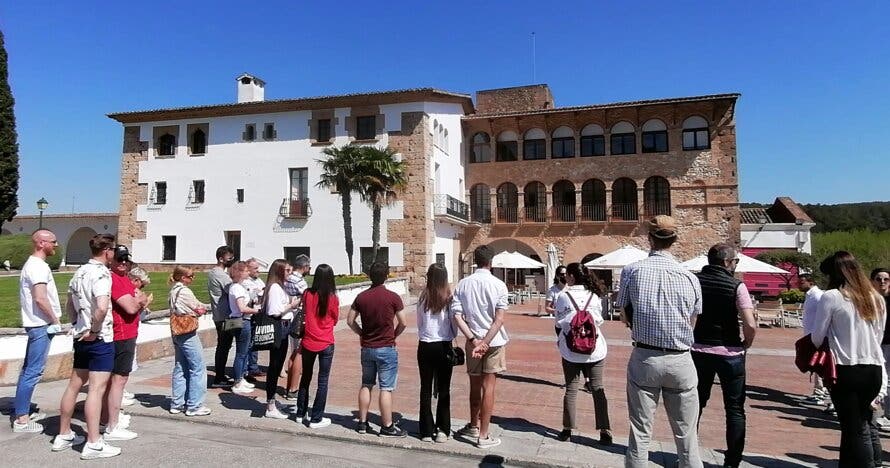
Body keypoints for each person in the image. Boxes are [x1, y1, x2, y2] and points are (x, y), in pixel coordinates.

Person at [617, 216, 703, 468]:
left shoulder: (632, 271)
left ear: (649, 239)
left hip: (645, 356)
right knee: (687, 435)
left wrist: (639, 325)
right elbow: (693, 320)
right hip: (680, 358)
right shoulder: (690, 278)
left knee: (640, 432)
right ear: (675, 240)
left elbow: (624, 313)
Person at [811, 252, 887, 467]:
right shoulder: (876, 298)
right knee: (857, 423)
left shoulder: (833, 297)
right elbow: (878, 336)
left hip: (846, 367)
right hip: (873, 368)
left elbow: (817, 337)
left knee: (854, 428)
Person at [690, 244, 757, 468]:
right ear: (727, 262)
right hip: (730, 351)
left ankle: (689, 455)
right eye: (735, 261)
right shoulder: (737, 285)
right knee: (735, 408)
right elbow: (749, 322)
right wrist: (747, 341)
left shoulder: (694, 282)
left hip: (698, 348)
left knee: (695, 404)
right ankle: (732, 461)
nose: (736, 265)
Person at [55, 234, 119, 459]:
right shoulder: (101, 274)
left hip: (80, 335)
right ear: (107, 251)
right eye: (113, 250)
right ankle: (93, 441)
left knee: (74, 385)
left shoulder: (79, 271)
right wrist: (93, 329)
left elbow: (69, 302)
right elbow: (101, 307)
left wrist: (76, 324)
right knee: (96, 388)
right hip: (98, 337)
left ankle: (63, 433)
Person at [452, 245, 509, 449]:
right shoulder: (499, 285)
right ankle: (484, 435)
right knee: (489, 387)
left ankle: (473, 425)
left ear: (475, 260)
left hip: (472, 340)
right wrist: (485, 342)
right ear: (491, 262)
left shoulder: (463, 284)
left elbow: (457, 315)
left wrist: (474, 340)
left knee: (475, 385)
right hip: (494, 342)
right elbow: (499, 320)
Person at [553, 262, 612, 445]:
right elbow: (599, 320)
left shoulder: (563, 296)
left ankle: (567, 429)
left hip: (570, 350)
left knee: (571, 389)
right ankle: (604, 430)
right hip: (595, 349)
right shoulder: (594, 296)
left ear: (571, 276)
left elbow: (558, 322)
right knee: (597, 388)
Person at [348, 262, 408, 437]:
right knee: (386, 387)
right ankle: (387, 425)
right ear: (386, 276)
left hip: (367, 347)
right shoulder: (393, 297)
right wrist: (394, 335)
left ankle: (362, 422)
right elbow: (403, 322)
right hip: (386, 347)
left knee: (366, 383)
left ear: (369, 276)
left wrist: (361, 333)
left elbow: (350, 320)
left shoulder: (361, 297)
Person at [12, 230, 62, 433]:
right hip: (40, 325)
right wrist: (54, 319)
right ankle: (22, 420)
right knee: (33, 371)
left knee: (29, 370)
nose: (56, 245)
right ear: (41, 243)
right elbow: (40, 298)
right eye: (53, 241)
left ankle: (23, 410)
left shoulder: (35, 265)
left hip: (38, 324)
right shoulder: (37, 267)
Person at [102, 246, 149, 442]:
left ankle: (109, 418)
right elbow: (131, 306)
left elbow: (142, 300)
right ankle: (112, 425)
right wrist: (139, 300)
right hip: (121, 335)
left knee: (116, 380)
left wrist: (140, 300)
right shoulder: (115, 279)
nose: (123, 263)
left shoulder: (124, 279)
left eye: (126, 260)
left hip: (128, 333)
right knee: (118, 380)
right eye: (119, 259)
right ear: (111, 260)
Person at [416, 263, 460, 443]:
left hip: (425, 345)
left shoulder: (422, 298)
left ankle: (426, 430)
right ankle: (443, 429)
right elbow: (454, 324)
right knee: (444, 389)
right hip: (443, 345)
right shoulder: (449, 298)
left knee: (425, 388)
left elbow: (419, 323)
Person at [296, 263, 339, 428]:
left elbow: (304, 311)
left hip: (308, 340)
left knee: (306, 377)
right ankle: (316, 417)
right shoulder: (333, 298)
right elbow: (335, 319)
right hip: (326, 341)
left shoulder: (307, 294)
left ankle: (300, 412)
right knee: (323, 380)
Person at [168, 266, 212, 416]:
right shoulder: (185, 291)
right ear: (182, 277)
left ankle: (177, 403)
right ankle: (194, 405)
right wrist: (204, 309)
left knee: (180, 366)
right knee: (198, 367)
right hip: (187, 331)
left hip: (176, 330)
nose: (193, 279)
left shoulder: (174, 290)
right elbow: (197, 306)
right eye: (190, 276)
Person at [258, 259, 298, 418]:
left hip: (284, 326)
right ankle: (270, 404)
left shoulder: (280, 287)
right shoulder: (274, 287)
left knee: (277, 364)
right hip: (279, 326)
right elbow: (275, 311)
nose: (289, 273)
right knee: (275, 366)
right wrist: (292, 305)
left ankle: (272, 402)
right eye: (287, 270)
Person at [227, 261, 260, 395]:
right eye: (246, 270)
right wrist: (256, 310)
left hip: (240, 320)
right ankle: (237, 381)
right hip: (241, 321)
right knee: (241, 353)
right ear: (240, 272)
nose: (248, 273)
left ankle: (241, 378)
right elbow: (241, 308)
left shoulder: (238, 287)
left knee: (245, 351)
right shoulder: (237, 288)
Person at [284, 255, 311, 401]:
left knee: (293, 352)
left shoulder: (287, 278)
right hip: (298, 318)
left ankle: (289, 386)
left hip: (288, 317)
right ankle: (293, 389)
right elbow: (307, 297)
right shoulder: (299, 281)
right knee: (298, 354)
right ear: (304, 267)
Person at [209, 246, 235, 388]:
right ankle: (219, 377)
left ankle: (220, 374)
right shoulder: (220, 275)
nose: (231, 260)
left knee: (225, 345)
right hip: (225, 316)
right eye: (229, 258)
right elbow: (232, 290)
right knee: (224, 345)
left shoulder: (215, 272)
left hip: (220, 315)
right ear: (221, 258)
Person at [800, 274, 828, 405]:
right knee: (814, 364)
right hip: (809, 335)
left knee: (818, 364)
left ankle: (820, 393)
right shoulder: (809, 295)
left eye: (801, 282)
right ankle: (819, 390)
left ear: (810, 282)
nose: (798, 285)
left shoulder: (818, 296)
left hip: (817, 335)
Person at [869, 268, 890, 428]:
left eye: (885, 279)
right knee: (876, 377)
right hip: (874, 343)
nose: (882, 282)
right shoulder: (870, 300)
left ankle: (888, 414)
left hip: (888, 343)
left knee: (888, 379)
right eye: (878, 279)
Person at [243, 258, 266, 382]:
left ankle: (253, 367)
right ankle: (246, 370)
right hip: (249, 316)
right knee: (248, 343)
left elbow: (263, 291)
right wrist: (260, 293)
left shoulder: (259, 280)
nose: (258, 270)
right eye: (255, 268)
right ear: (248, 269)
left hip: (257, 314)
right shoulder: (246, 282)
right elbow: (256, 295)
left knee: (254, 342)